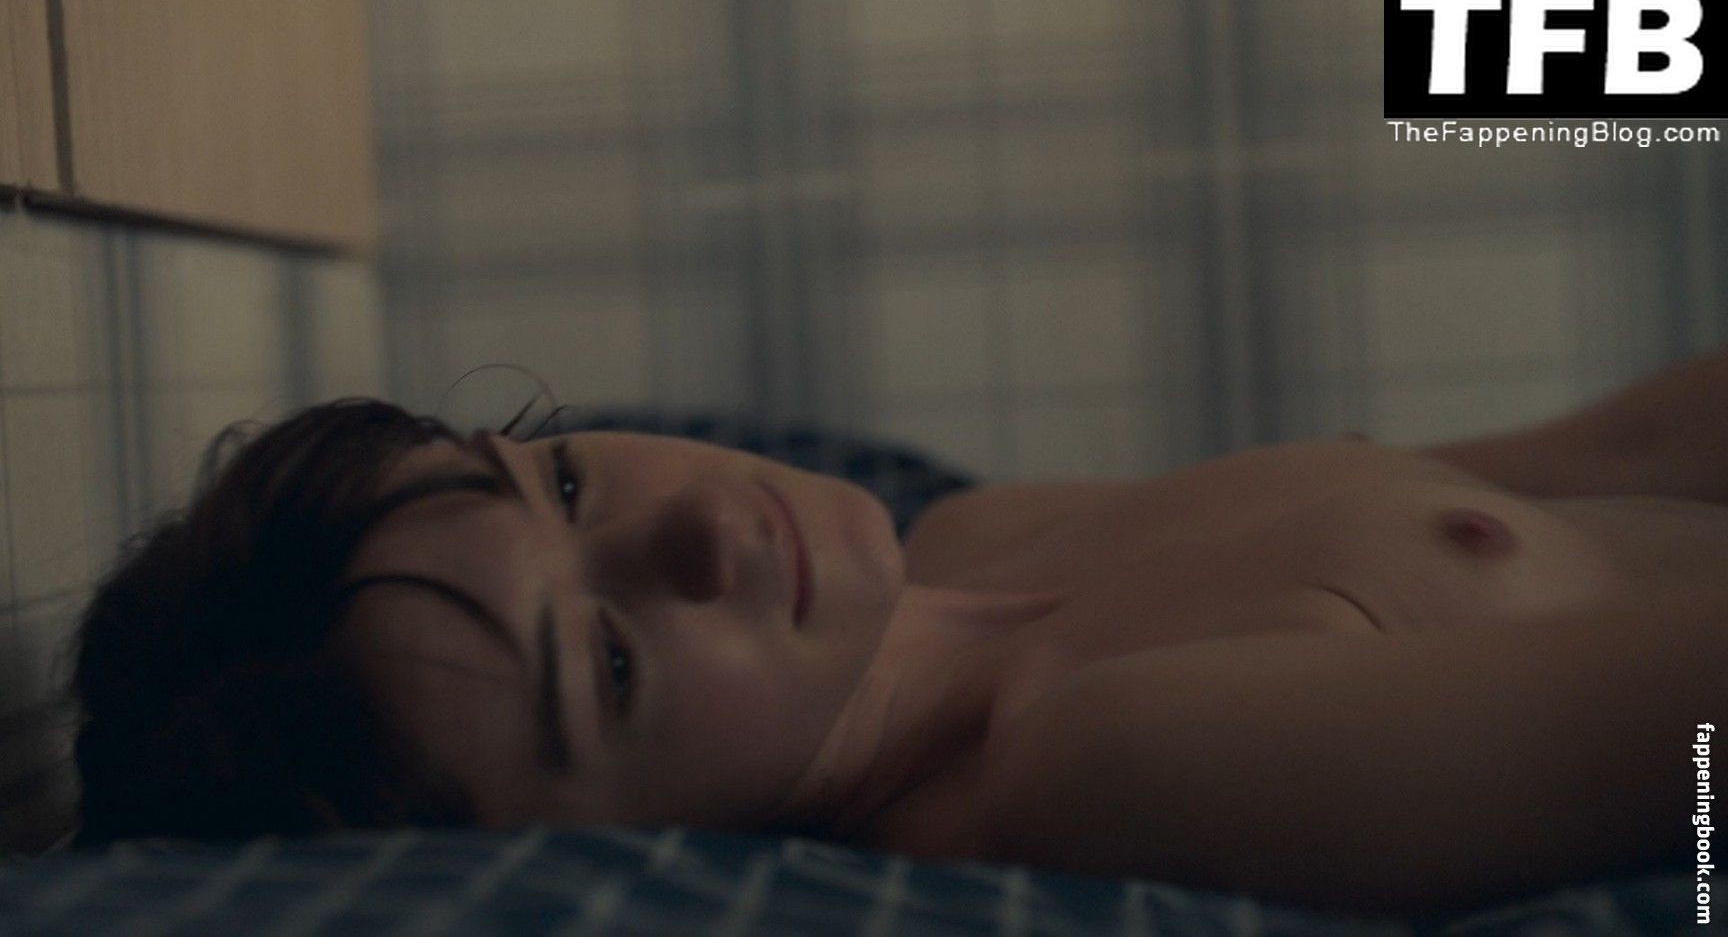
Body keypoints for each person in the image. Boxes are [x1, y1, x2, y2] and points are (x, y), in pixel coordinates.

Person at [70, 350, 1728, 917]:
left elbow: (1621, 455)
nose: (704, 528)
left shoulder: (978, 538)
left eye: (563, 484)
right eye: (614, 668)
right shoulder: (1104, 759)